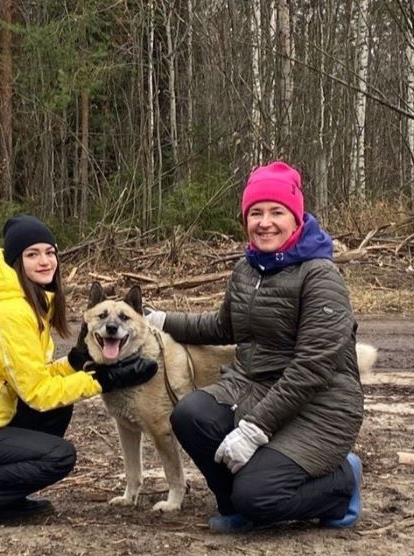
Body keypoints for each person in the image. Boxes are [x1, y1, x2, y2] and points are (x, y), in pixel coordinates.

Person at [146, 161, 366, 533]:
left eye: (276, 212)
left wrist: (253, 431)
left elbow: (312, 368)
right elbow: (224, 326)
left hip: (320, 406)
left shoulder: (320, 275)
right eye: (256, 213)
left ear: (296, 218)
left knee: (261, 495)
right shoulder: (248, 270)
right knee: (189, 413)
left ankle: (342, 482)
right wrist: (161, 320)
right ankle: (237, 505)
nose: (265, 222)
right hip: (256, 388)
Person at [0, 214, 158, 536]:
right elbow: (38, 394)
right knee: (58, 456)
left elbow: (34, 375)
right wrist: (103, 379)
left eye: (50, 252)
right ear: (17, 261)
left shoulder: (29, 304)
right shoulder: (13, 313)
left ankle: (1, 500)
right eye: (32, 254)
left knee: (58, 410)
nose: (45, 261)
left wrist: (74, 363)